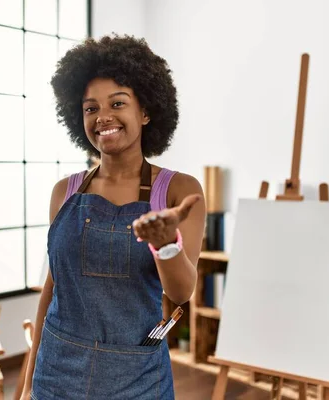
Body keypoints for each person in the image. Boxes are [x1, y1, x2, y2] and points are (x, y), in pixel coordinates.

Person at [20, 34, 206, 399]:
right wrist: (27, 383)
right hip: (57, 374)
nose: (103, 117)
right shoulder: (65, 191)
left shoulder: (176, 191)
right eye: (90, 108)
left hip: (136, 378)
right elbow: (52, 290)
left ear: (146, 111)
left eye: (117, 103)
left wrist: (165, 243)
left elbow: (181, 292)